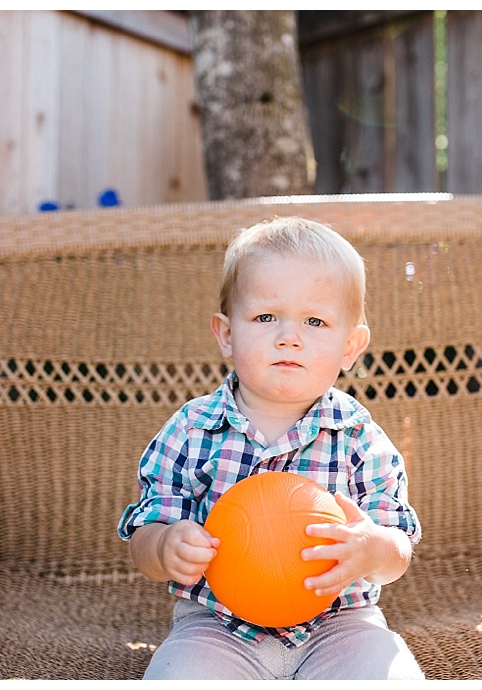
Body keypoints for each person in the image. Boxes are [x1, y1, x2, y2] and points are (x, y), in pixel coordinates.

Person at [117, 216, 424, 680]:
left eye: (315, 321)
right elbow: (145, 530)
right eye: (265, 317)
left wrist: (373, 548)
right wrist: (164, 546)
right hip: (216, 629)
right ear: (226, 333)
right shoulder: (192, 429)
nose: (289, 336)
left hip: (339, 628)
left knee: (387, 675)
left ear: (350, 347)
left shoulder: (359, 436)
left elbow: (398, 547)